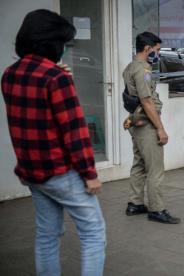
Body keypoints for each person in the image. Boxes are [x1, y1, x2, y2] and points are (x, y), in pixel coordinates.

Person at [1, 9, 106, 275]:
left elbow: (34, 117)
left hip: (32, 173)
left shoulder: (10, 74)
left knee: (46, 235)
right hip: (62, 173)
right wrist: (90, 174)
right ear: (51, 42)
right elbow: (75, 131)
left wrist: (57, 72)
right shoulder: (56, 78)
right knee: (93, 233)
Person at [122, 32, 180, 224]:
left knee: (139, 164)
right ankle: (157, 209)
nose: (158, 53)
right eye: (157, 50)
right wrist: (160, 129)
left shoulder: (130, 67)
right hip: (146, 124)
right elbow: (147, 101)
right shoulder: (143, 71)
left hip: (137, 122)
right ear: (147, 48)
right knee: (155, 168)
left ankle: (135, 203)